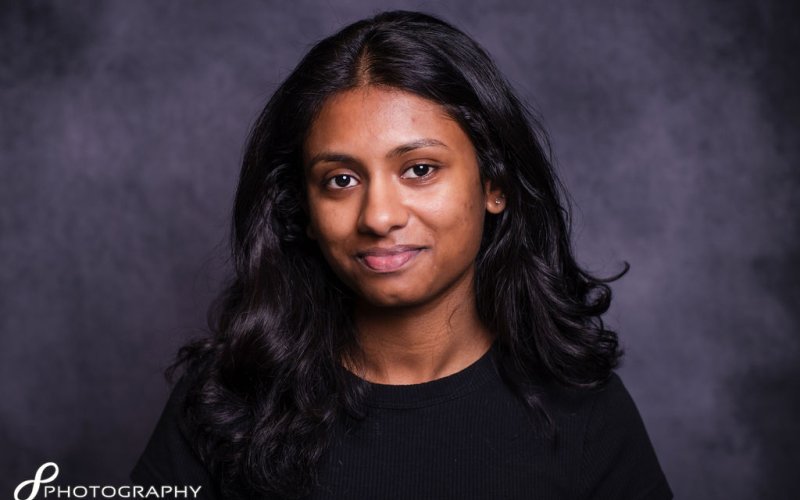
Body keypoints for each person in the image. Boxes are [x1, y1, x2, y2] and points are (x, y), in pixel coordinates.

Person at [131, 10, 672, 500]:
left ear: (495, 183)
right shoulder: (223, 404)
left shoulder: (584, 412)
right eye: (340, 180)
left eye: (419, 169)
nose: (379, 216)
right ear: (303, 210)